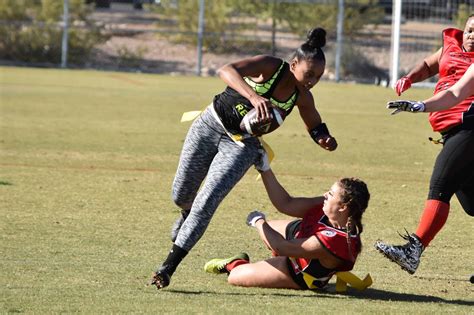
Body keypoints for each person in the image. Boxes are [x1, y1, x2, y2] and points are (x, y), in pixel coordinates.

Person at [151, 27, 338, 289]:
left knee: (208, 201)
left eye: (318, 76)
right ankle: (186, 212)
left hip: (242, 146)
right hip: (210, 124)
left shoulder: (302, 97)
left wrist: (325, 139)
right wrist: (254, 96)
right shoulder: (271, 66)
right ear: (294, 64)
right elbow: (226, 70)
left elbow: (315, 125)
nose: (312, 80)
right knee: (181, 195)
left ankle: (167, 267)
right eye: (309, 74)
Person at [375, 15, 474, 275]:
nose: (472, 35)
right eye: (470, 30)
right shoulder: (451, 46)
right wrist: (410, 79)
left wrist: (420, 105)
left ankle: (413, 251)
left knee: (441, 186)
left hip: (470, 130)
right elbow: (432, 66)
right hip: (454, 132)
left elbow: (455, 94)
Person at [203, 156, 370, 290]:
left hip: (297, 272)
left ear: (343, 207)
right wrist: (264, 167)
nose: (326, 194)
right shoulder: (330, 209)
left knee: (235, 277)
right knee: (272, 234)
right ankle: (276, 260)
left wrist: (258, 221)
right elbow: (285, 203)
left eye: (331, 193)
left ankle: (235, 263)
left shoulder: (335, 240)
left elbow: (281, 247)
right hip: (300, 236)